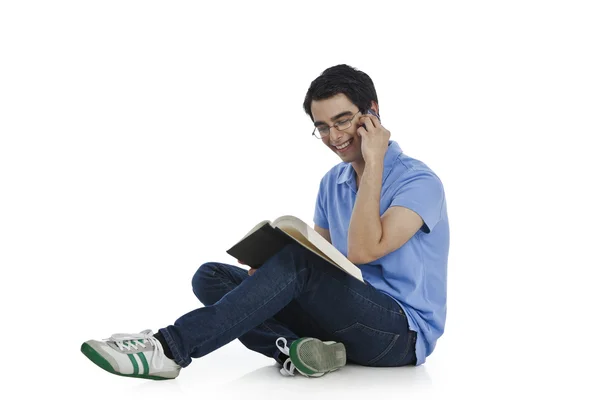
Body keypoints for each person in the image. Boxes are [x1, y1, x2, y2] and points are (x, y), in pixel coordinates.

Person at [81, 64, 450, 380]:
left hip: (398, 336)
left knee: (297, 265)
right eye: (322, 127)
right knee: (212, 276)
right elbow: (326, 258)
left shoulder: (419, 183)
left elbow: (363, 250)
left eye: (343, 121)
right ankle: (297, 349)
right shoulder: (331, 183)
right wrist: (271, 270)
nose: (334, 137)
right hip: (342, 322)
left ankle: (169, 348)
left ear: (372, 112)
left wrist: (374, 163)